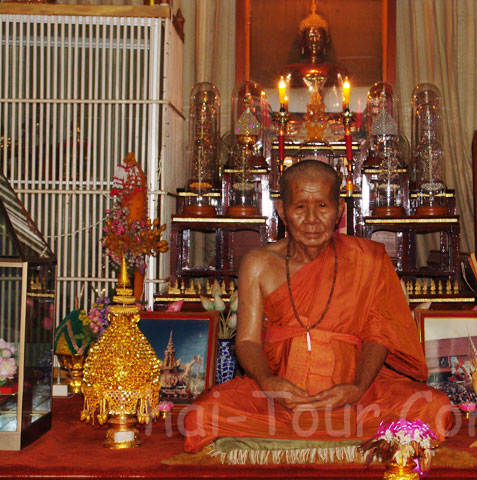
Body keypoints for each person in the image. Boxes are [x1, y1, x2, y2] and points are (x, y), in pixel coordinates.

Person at [183, 160, 452, 452]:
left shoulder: (368, 259)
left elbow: (379, 335)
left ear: (340, 210)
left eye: (322, 206)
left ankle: (293, 438)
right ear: (282, 211)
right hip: (280, 398)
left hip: (354, 395)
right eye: (300, 207)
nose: (311, 220)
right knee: (202, 414)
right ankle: (338, 437)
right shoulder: (259, 263)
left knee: (434, 407)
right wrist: (268, 382)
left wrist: (358, 388)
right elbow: (247, 342)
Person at [279, 1, 348, 92]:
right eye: (310, 37)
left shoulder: (337, 72)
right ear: (301, 41)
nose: (314, 41)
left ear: (326, 40)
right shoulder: (290, 72)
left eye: (319, 37)